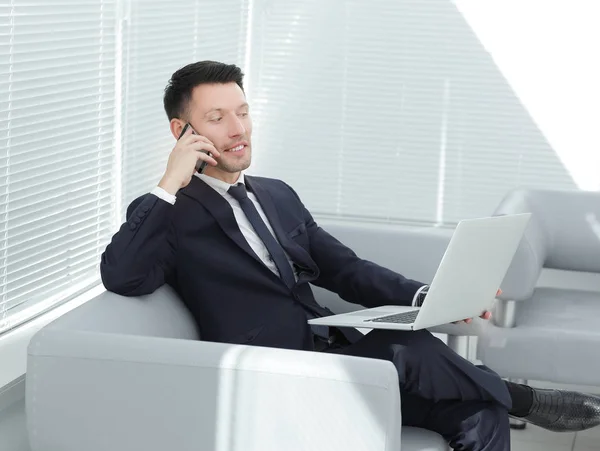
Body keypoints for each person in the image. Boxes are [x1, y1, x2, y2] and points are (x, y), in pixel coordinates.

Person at [100, 61, 600, 451]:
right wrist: (169, 182)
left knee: (479, 414)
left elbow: (346, 270)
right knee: (412, 349)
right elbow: (122, 275)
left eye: (243, 111)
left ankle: (504, 401)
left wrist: (431, 296)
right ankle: (526, 399)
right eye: (216, 118)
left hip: (333, 356)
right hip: (271, 376)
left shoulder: (277, 194)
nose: (238, 128)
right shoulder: (171, 214)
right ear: (181, 132)